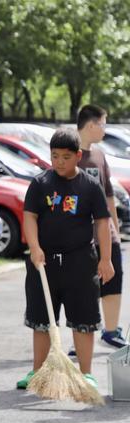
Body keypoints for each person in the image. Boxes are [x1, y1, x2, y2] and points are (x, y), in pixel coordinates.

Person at [17, 128, 114, 391]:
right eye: (55, 156)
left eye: (65, 157)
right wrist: (35, 247)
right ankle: (38, 372)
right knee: (41, 319)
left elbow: (102, 224)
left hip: (80, 261)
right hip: (44, 262)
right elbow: (30, 217)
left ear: (78, 156)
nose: (59, 162)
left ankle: (86, 373)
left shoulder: (90, 185)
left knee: (84, 318)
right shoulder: (40, 184)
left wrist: (106, 259)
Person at [76, 104, 127, 350]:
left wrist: (115, 231)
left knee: (113, 281)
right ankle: (81, 334)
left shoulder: (99, 155)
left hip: (106, 235)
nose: (105, 130)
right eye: (103, 124)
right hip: (80, 238)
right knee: (84, 287)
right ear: (91, 125)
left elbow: (108, 196)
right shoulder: (69, 155)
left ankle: (110, 331)